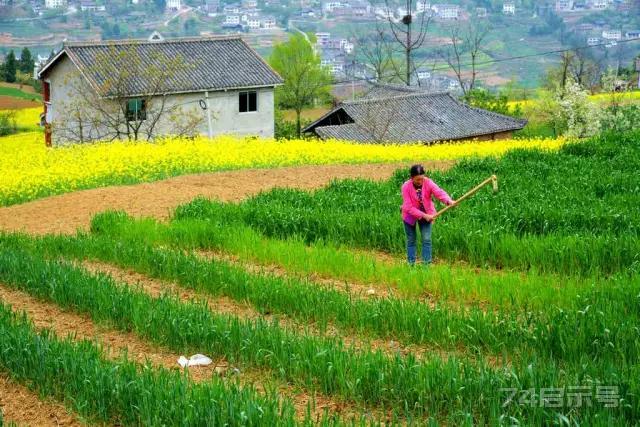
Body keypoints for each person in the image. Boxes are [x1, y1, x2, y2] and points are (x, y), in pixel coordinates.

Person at [401, 164, 455, 265]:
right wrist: (424, 215)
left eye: (422, 178)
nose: (420, 181)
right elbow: (409, 207)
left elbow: (439, 192)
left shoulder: (428, 182)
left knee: (426, 239)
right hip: (410, 214)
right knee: (411, 239)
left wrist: (448, 201)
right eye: (417, 179)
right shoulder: (405, 187)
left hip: (427, 213)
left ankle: (426, 264)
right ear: (411, 178)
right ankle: (411, 263)